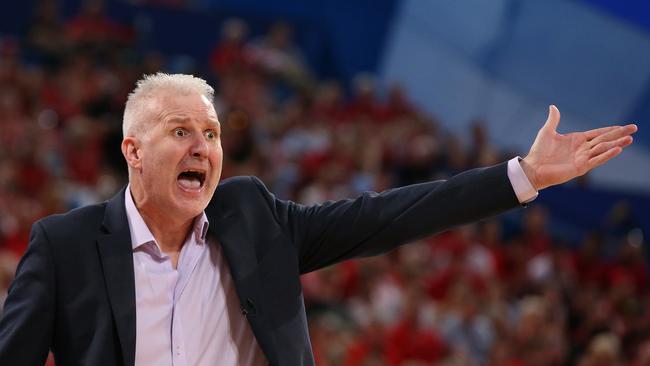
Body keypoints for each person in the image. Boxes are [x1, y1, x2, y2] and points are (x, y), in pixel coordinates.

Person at [0, 73, 637, 366]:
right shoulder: (66, 245)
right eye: (180, 131)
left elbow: (389, 216)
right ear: (133, 151)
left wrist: (523, 175)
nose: (203, 146)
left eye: (212, 133)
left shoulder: (251, 216)